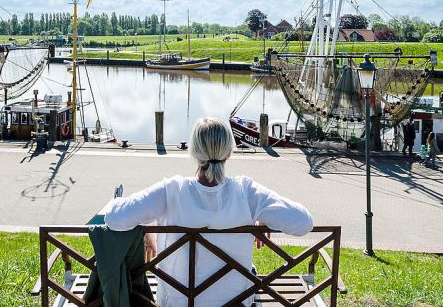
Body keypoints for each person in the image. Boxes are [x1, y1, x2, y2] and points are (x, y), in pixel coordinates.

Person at [104, 117, 313, 306]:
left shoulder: (171, 191)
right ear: (229, 153)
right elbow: (304, 222)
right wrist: (266, 219)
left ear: (193, 152)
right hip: (236, 303)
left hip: (179, 303)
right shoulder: (246, 192)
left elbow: (113, 217)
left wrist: (148, 230)